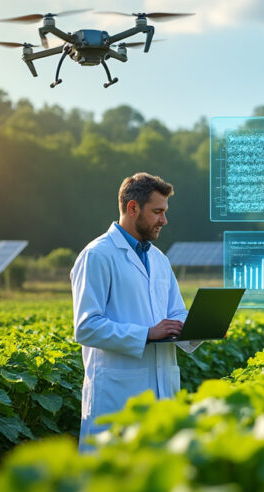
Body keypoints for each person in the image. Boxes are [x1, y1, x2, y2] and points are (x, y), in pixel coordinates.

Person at [70, 172, 199, 451]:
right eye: (157, 212)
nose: (164, 220)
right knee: (112, 470)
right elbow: (86, 327)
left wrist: (201, 327)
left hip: (161, 391)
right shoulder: (97, 255)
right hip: (117, 396)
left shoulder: (159, 259)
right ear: (132, 208)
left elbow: (177, 312)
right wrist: (146, 333)